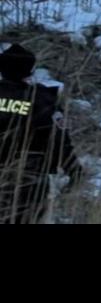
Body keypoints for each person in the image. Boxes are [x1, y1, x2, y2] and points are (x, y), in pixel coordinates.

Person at [0, 43, 84, 224]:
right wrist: (74, 170)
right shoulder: (42, 99)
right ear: (30, 70)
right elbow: (59, 140)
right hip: (29, 180)